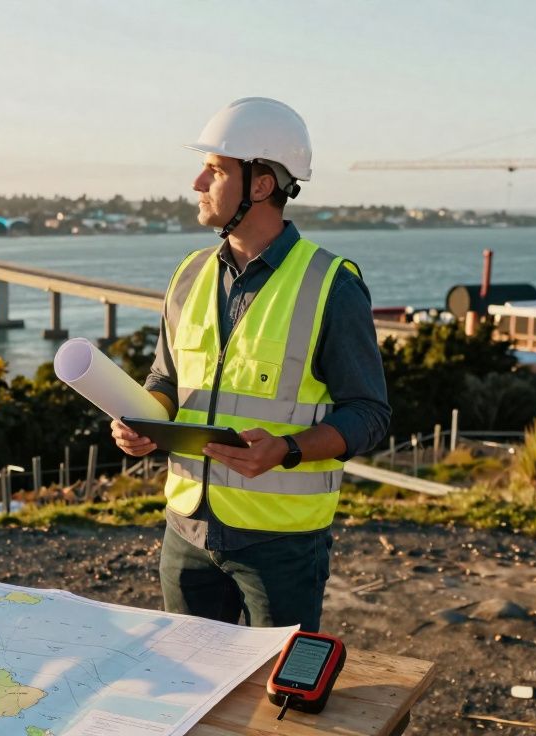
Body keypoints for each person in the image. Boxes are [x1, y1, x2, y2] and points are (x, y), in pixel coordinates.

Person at [111, 98, 390, 632]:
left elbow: (369, 414)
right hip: (186, 529)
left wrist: (286, 450)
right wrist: (145, 420)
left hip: (280, 544)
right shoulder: (189, 274)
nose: (197, 182)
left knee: (280, 700)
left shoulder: (331, 285)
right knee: (189, 688)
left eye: (215, 170)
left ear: (261, 185)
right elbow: (167, 378)